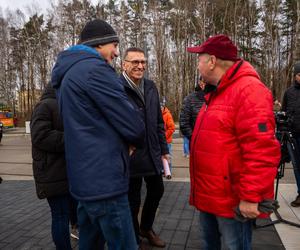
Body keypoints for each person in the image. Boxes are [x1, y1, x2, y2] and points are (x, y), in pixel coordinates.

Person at [51, 19, 145, 249]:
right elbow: (133, 124)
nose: (115, 51)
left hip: (84, 182)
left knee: (89, 243)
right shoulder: (95, 70)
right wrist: (132, 139)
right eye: (114, 45)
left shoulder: (68, 73)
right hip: (106, 183)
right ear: (99, 44)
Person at [187, 34, 281, 250]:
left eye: (199, 59)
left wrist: (250, 197)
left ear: (212, 61)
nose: (198, 64)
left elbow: (262, 150)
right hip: (211, 195)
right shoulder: (218, 91)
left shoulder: (249, 91)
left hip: (231, 200)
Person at [120, 47, 169, 248]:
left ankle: (145, 227)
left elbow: (158, 122)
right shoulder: (116, 87)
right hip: (130, 156)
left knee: (157, 189)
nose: (140, 66)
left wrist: (164, 150)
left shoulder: (150, 86)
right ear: (124, 64)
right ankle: (133, 236)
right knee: (132, 200)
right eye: (135, 62)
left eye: (143, 62)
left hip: (152, 152)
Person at [30, 83, 78, 250]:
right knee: (60, 217)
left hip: (68, 172)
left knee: (71, 214)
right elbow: (40, 136)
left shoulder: (66, 104)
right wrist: (73, 138)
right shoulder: (45, 106)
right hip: (52, 174)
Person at [282, 61, 300, 207]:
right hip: (293, 135)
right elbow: (284, 112)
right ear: (295, 76)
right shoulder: (289, 92)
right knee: (296, 165)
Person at [179, 78, 205, 155]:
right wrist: (194, 138)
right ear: (201, 83)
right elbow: (183, 122)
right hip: (197, 147)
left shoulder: (217, 96)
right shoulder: (190, 99)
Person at [161, 101, 175, 174]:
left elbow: (172, 128)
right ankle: (163, 170)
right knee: (161, 157)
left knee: (167, 156)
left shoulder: (167, 114)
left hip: (166, 140)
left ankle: (168, 171)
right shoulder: (158, 114)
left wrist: (164, 137)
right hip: (160, 140)